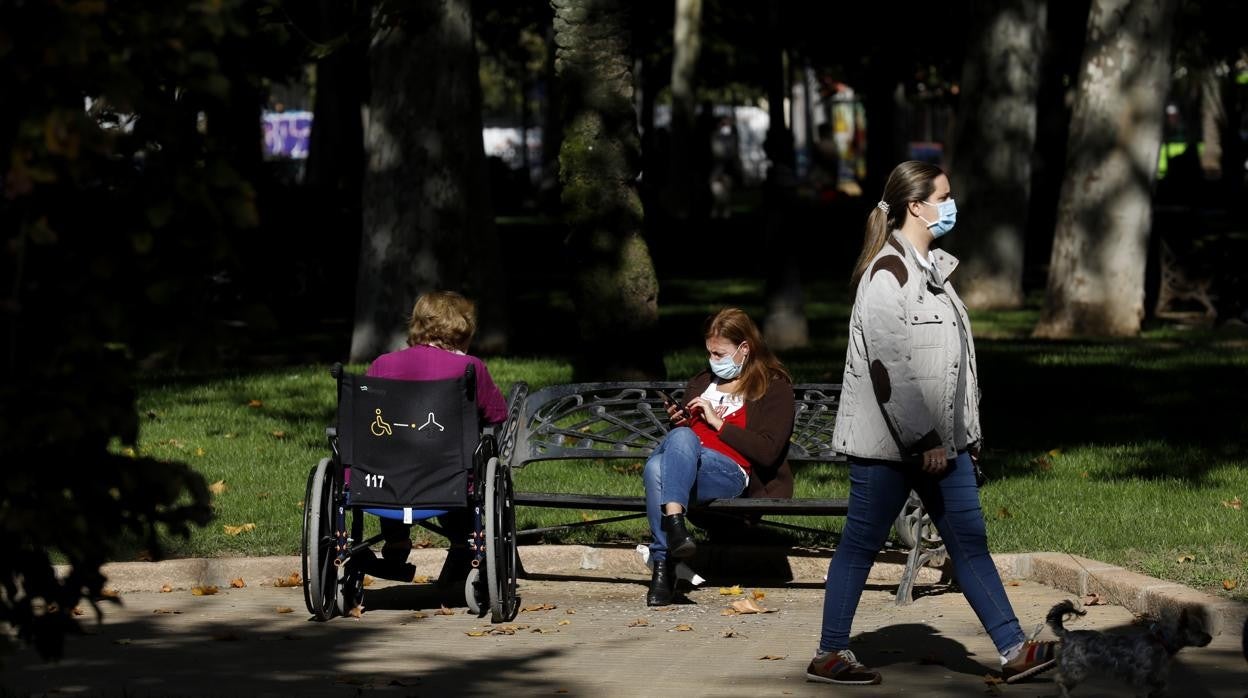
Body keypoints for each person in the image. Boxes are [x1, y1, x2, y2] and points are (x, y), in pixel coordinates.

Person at [807, 161, 1057, 685]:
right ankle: (830, 654)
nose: (951, 203)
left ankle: (1014, 650)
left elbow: (948, 368)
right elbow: (889, 372)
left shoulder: (933, 272)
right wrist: (925, 440)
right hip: (889, 448)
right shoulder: (886, 275)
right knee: (860, 543)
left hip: (944, 445)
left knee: (969, 544)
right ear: (916, 206)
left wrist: (964, 437)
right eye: (944, 195)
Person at [643, 308, 795, 606]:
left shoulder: (773, 386)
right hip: (686, 468)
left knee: (657, 465)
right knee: (662, 461)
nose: (713, 361)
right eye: (710, 353)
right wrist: (679, 421)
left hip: (731, 472)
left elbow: (768, 450)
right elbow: (683, 438)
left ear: (744, 348)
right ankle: (671, 545)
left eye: (720, 354)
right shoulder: (703, 381)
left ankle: (665, 560)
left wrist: (718, 423)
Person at [359, 291, 508, 584]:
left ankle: (397, 543)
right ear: (462, 331)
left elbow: (364, 420)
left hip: (387, 482)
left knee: (392, 457)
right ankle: (463, 543)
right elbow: (496, 417)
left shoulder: (382, 365)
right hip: (449, 478)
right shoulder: (471, 368)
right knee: (463, 461)